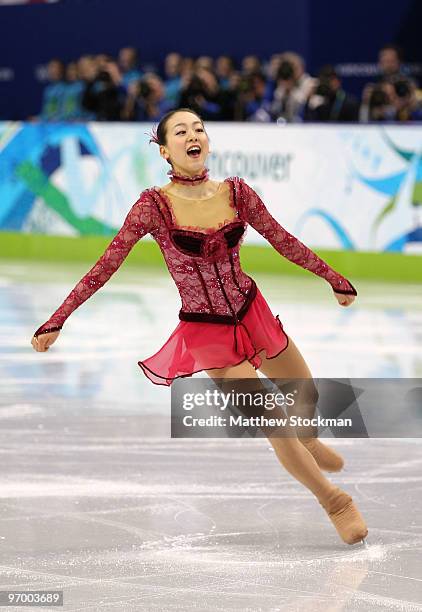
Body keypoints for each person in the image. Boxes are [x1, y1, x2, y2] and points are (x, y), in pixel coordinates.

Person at [31, 108, 368, 546]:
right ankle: (334, 501)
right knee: (270, 418)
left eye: (199, 129)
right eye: (181, 131)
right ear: (165, 150)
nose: (193, 135)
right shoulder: (153, 206)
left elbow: (282, 239)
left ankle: (309, 439)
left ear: (207, 142)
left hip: (251, 311)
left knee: (305, 391)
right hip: (207, 331)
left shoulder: (237, 194)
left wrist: (332, 276)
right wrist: (59, 317)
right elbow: (106, 265)